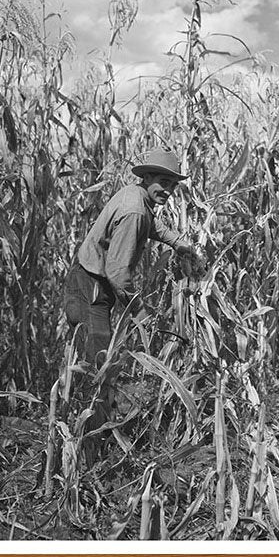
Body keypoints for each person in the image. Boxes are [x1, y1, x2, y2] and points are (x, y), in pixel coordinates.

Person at [63, 149, 203, 450]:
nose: (167, 190)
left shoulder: (136, 197)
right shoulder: (135, 210)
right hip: (91, 285)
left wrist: (180, 244)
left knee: (100, 360)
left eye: (172, 185)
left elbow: (152, 226)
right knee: (100, 364)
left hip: (90, 281)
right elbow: (116, 271)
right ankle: (91, 449)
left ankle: (95, 434)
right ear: (147, 177)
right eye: (162, 182)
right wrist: (137, 308)